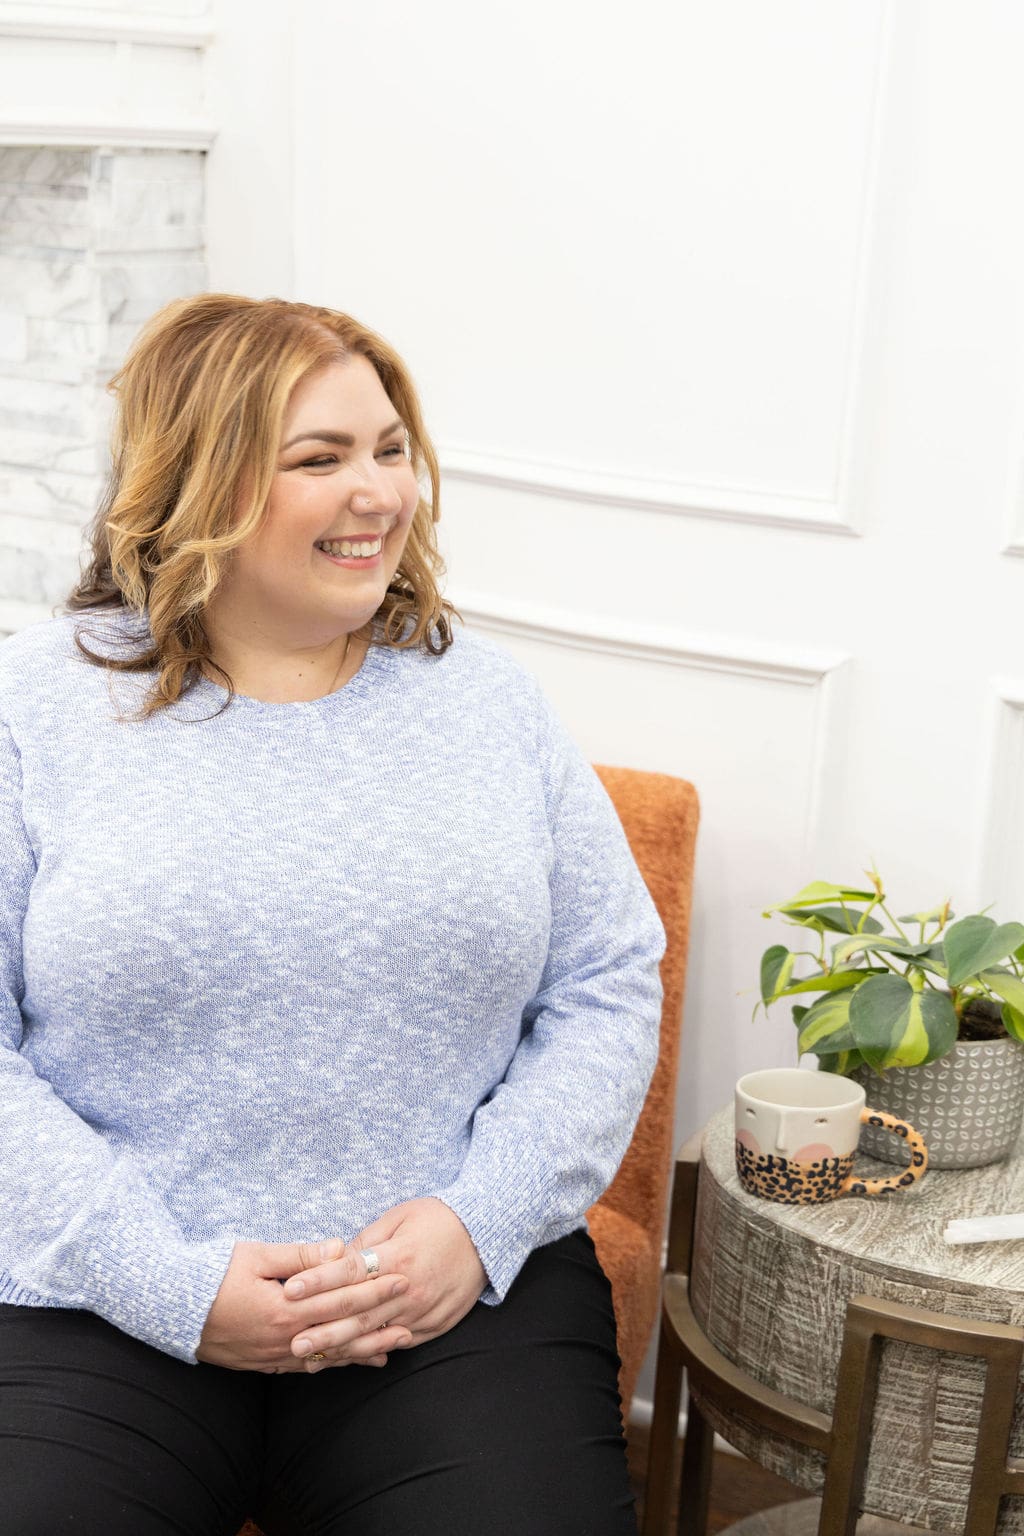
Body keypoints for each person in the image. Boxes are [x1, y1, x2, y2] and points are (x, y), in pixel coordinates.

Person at [0, 293, 667, 1535]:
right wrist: (166, 1280)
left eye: (390, 448)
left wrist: (477, 1224)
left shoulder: (489, 702)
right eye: (321, 459)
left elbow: (608, 978)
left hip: (449, 1300)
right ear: (198, 484)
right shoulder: (34, 706)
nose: (382, 493)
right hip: (90, 1290)